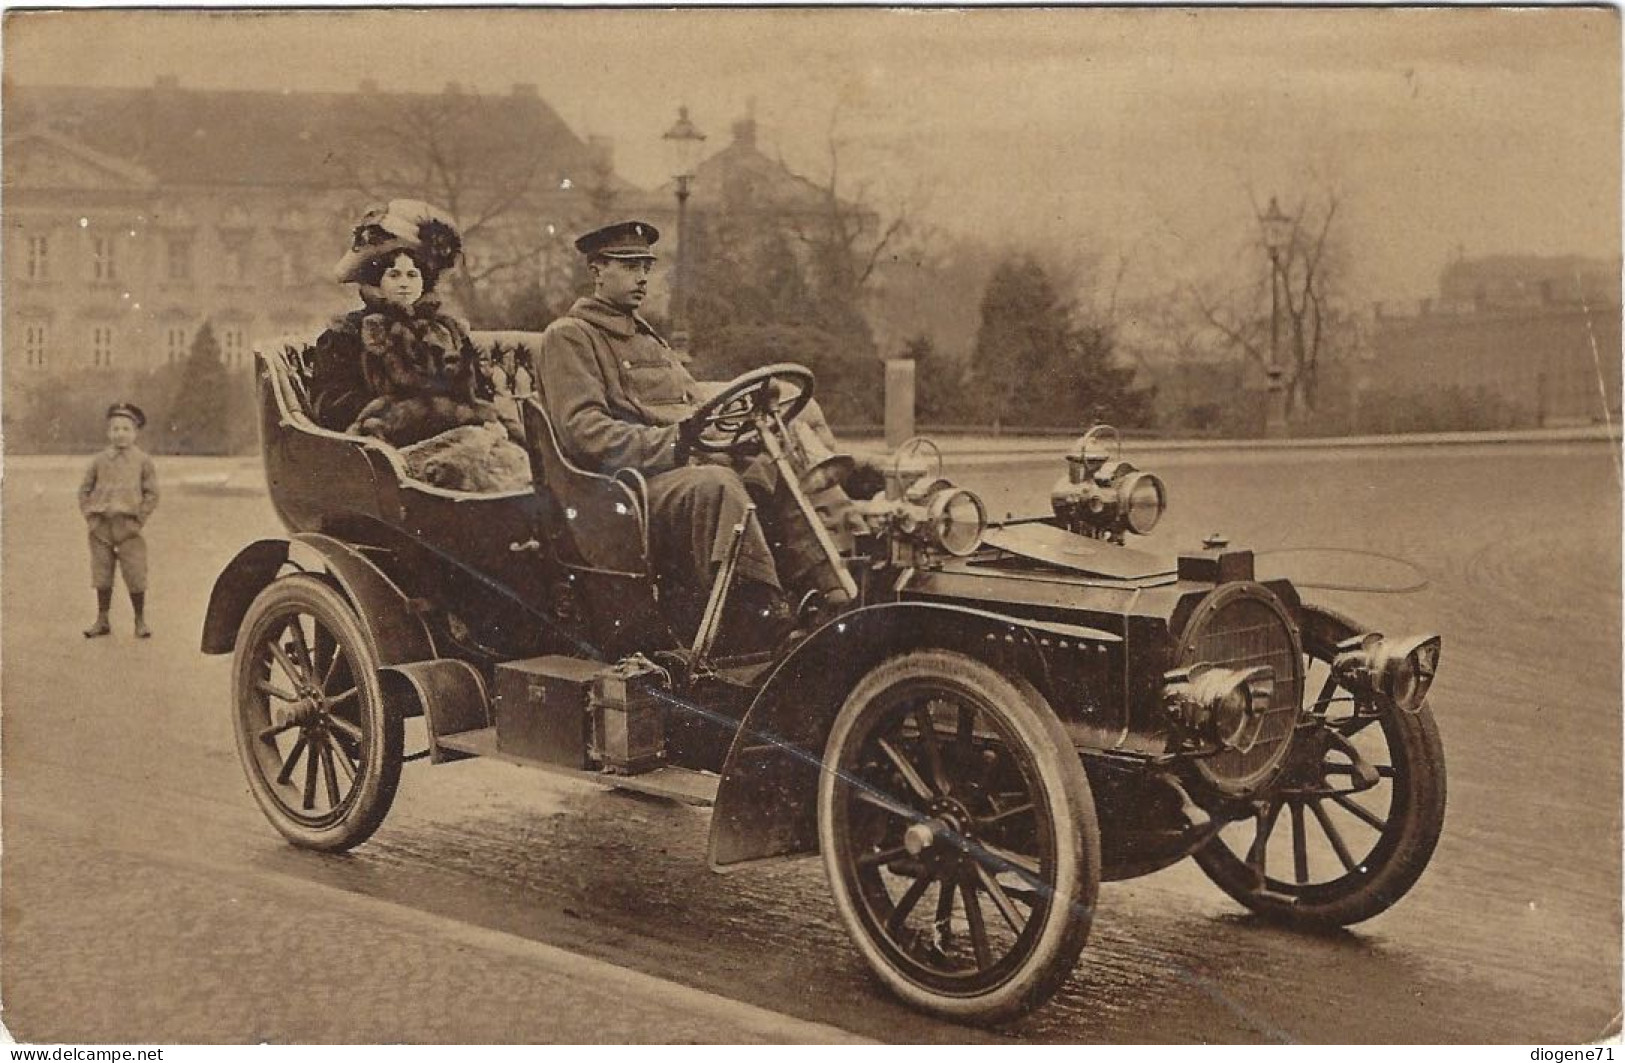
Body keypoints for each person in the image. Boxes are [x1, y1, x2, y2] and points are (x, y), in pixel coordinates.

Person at [537, 220, 847, 650]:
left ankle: (830, 594)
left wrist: (737, 424)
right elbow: (583, 433)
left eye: (646, 265)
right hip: (621, 491)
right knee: (716, 486)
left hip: (674, 472)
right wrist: (675, 443)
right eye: (629, 266)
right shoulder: (570, 337)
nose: (642, 276)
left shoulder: (647, 337)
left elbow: (692, 405)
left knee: (769, 467)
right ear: (597, 270)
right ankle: (765, 620)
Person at [309, 199, 521, 447]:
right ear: (377, 280)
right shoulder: (347, 333)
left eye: (412, 275)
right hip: (386, 447)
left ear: (424, 282)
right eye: (394, 274)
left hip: (460, 437)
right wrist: (403, 415)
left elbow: (479, 392)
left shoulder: (448, 331)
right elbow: (331, 405)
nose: (404, 284)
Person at [79, 402, 160, 639]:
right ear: (108, 432)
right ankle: (102, 619)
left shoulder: (142, 461)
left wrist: (140, 519)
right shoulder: (99, 460)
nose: (120, 434)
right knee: (101, 574)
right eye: (115, 429)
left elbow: (152, 493)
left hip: (129, 528)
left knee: (135, 574)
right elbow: (84, 490)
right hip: (101, 527)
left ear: (135, 433)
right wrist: (90, 517)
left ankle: (140, 620)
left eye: (126, 429)